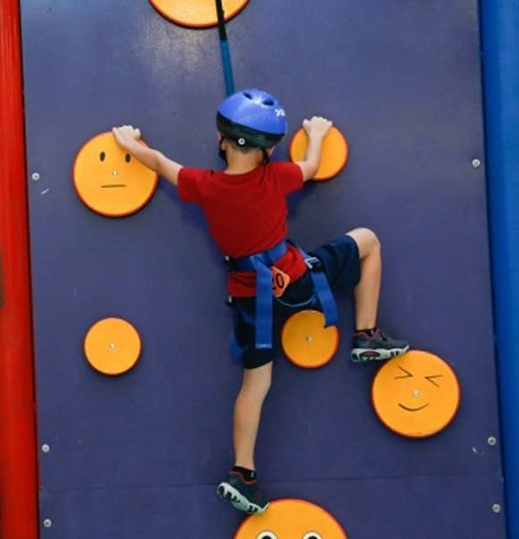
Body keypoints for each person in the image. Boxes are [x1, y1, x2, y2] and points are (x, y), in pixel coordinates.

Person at [111, 88, 409, 515]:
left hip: (251, 300)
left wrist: (129, 142)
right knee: (368, 241)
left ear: (221, 140)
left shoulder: (205, 185)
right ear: (269, 149)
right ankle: (366, 333)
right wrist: (317, 134)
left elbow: (159, 163)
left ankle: (243, 474)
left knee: (255, 384)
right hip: (297, 284)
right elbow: (312, 167)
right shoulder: (278, 177)